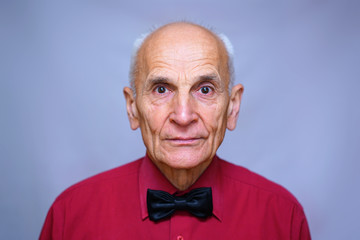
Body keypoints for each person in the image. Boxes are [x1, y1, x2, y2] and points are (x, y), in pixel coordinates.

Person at [40, 22, 311, 239]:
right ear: (132, 107)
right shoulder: (70, 214)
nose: (183, 116)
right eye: (161, 89)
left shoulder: (283, 216)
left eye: (205, 89)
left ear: (233, 107)